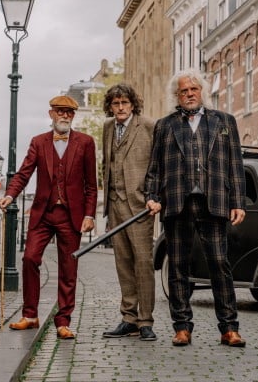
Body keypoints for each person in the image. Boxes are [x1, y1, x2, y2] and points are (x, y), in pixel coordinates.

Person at [145, 69, 246, 348]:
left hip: (213, 203)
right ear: (176, 96)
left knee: (219, 264)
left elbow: (235, 165)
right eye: (183, 91)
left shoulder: (224, 121)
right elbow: (155, 167)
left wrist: (237, 201)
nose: (189, 94)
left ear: (202, 91)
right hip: (176, 203)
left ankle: (229, 328)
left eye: (193, 89)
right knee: (178, 266)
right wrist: (152, 195)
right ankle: (182, 327)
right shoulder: (164, 125)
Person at [0, 95, 97, 339]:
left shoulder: (85, 143)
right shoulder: (38, 142)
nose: (64, 116)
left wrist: (89, 214)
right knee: (30, 258)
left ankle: (63, 321)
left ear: (73, 116)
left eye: (69, 112)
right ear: (51, 113)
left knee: (68, 268)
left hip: (71, 216)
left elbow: (91, 185)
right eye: (60, 111)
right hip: (43, 213)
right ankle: (30, 315)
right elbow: (23, 174)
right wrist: (9, 195)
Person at [100, 83, 157, 341]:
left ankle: (146, 321)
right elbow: (107, 164)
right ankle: (129, 319)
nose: (120, 108)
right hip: (116, 205)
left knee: (143, 263)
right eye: (115, 104)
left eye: (124, 103)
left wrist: (155, 197)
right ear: (110, 107)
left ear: (132, 104)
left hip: (139, 206)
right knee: (123, 264)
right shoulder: (107, 128)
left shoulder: (148, 126)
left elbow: (157, 165)